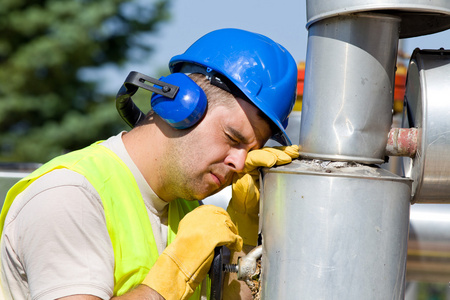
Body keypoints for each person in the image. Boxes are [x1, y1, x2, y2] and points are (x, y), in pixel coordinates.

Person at [0, 28, 299, 300]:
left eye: (252, 150)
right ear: (181, 104)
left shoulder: (187, 212)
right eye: (232, 138)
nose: (239, 162)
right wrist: (172, 276)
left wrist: (245, 243)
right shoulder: (71, 195)